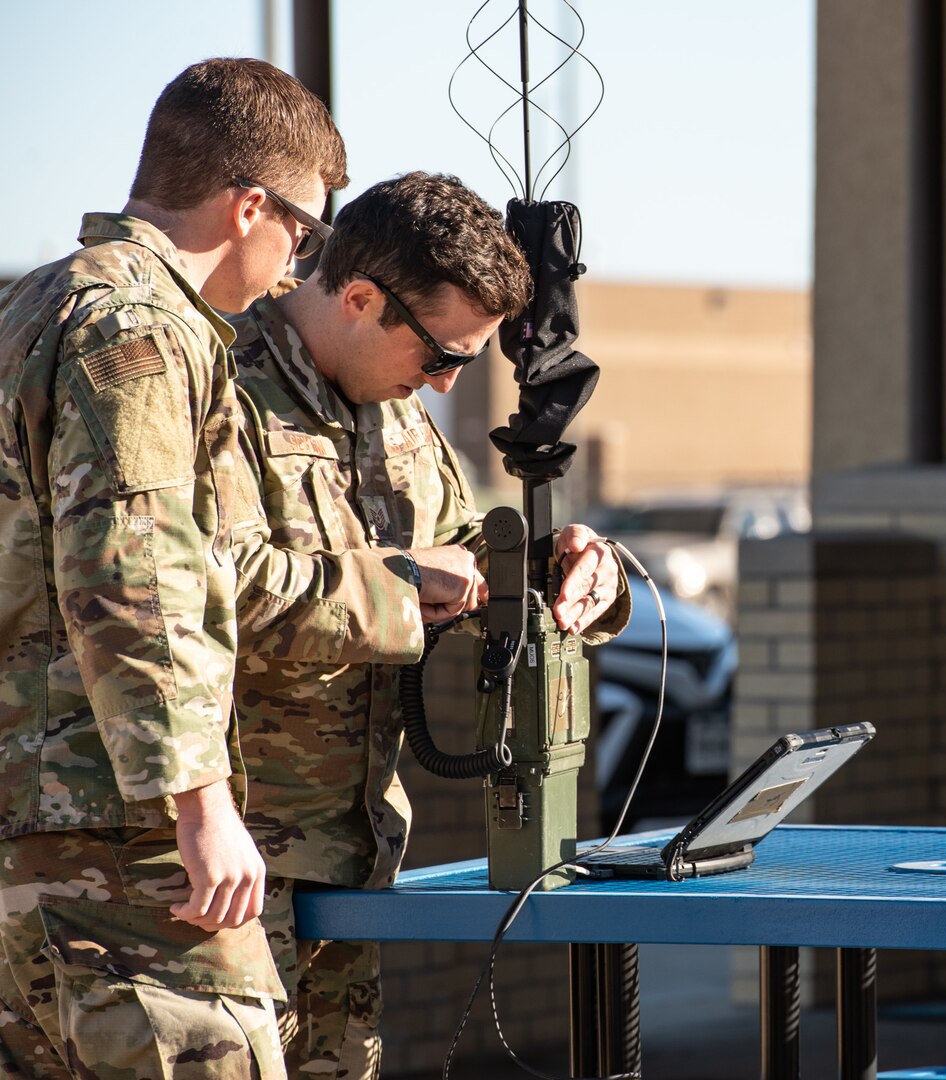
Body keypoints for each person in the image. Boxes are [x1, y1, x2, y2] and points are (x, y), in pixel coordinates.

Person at [0, 58, 487, 1080]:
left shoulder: (31, 307)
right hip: (125, 856)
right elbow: (141, 575)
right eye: (302, 234)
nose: (294, 263)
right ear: (248, 205)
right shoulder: (142, 327)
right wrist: (200, 805)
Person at [227, 171, 628, 1078]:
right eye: (441, 355)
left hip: (350, 866)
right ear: (362, 297)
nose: (445, 383)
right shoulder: (216, 387)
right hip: (210, 870)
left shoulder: (399, 418)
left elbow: (464, 560)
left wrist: (568, 573)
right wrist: (399, 585)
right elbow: (173, 598)